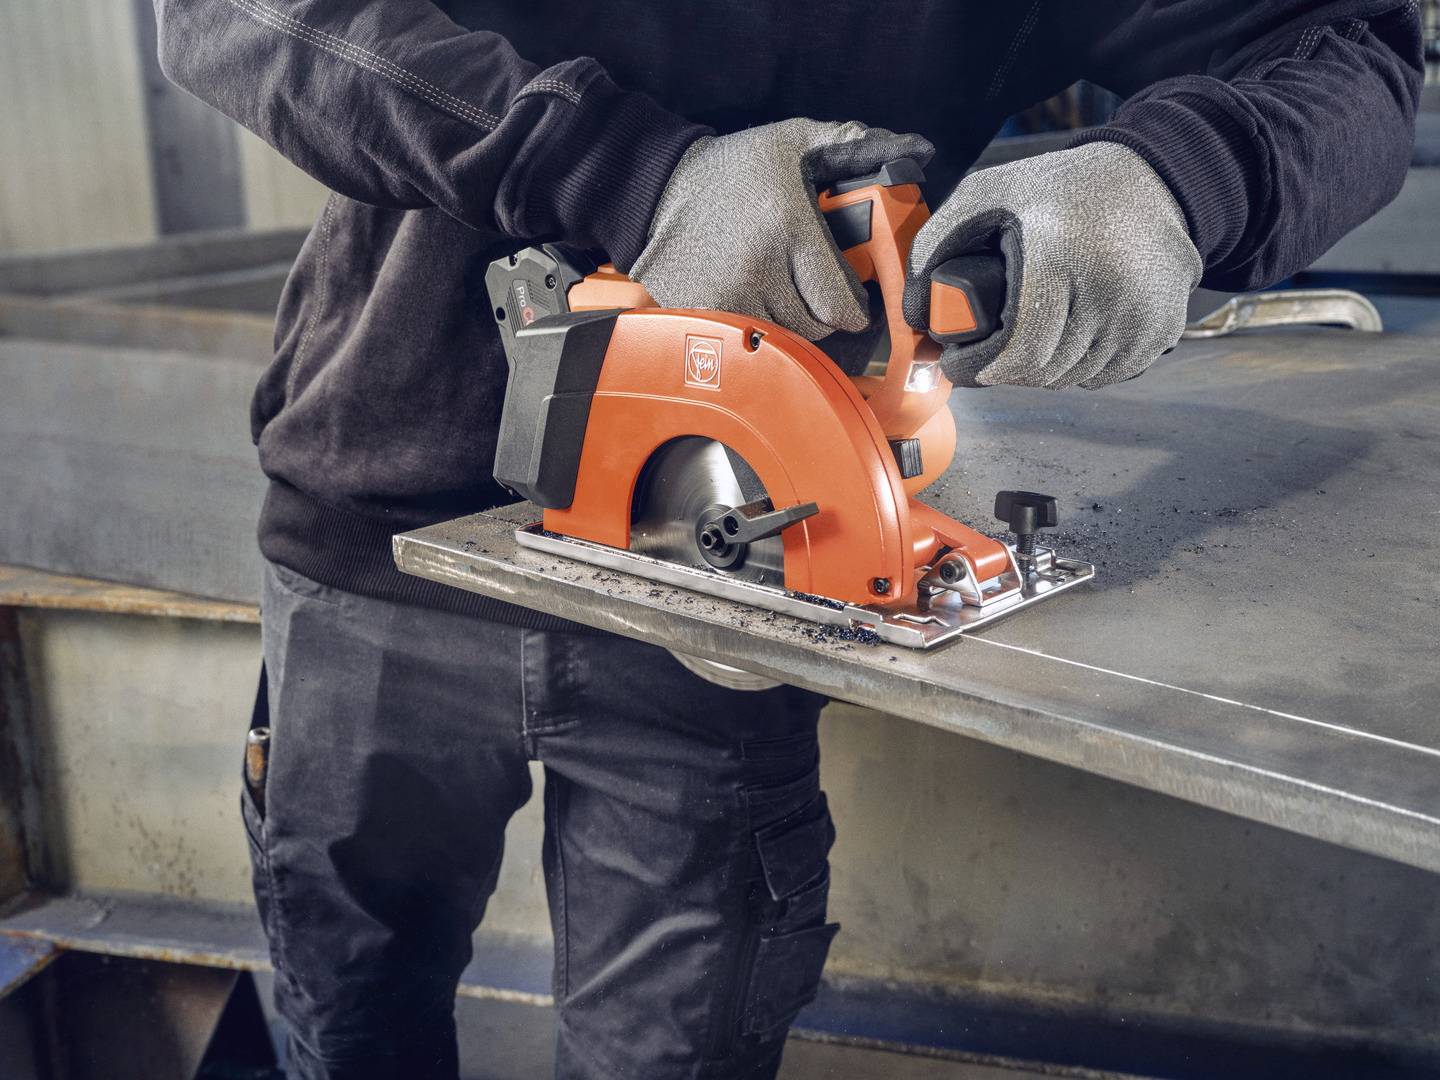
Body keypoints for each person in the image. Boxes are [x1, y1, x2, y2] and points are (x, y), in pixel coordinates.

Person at [151, 2, 1422, 1077]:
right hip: (380, 539)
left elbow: (1340, 42)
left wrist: (1177, 176)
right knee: (346, 1028)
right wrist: (633, 174)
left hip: (746, 578)